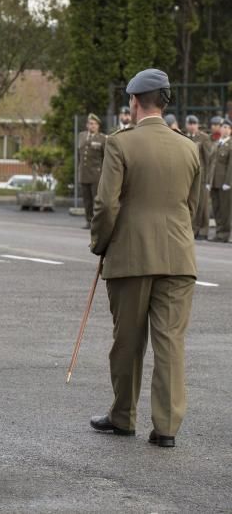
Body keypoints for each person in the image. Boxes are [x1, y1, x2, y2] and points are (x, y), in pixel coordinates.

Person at [89, 68, 200, 448]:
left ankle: (123, 416)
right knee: (170, 343)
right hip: (179, 257)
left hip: (131, 256)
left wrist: (100, 243)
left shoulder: (121, 143)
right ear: (164, 103)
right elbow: (193, 207)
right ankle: (166, 428)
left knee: (128, 341)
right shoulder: (189, 146)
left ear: (134, 102)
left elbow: (106, 204)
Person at [185, 115, 213, 240]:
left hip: (202, 176)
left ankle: (204, 230)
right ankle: (194, 228)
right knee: (192, 203)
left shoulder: (204, 138)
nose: (191, 126)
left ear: (197, 125)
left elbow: (209, 160)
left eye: (194, 123)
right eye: (189, 124)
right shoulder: (184, 137)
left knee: (203, 204)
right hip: (189, 176)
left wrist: (208, 179)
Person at [78, 113, 106, 229]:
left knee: (96, 200)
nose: (92, 126)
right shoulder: (82, 136)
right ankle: (88, 221)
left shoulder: (102, 138)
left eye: (94, 124)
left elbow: (105, 157)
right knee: (87, 200)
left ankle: (97, 222)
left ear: (98, 126)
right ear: (87, 125)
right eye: (90, 124)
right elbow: (79, 155)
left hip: (96, 175)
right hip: (84, 173)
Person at [209, 119, 232, 243]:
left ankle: (225, 234)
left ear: (231, 130)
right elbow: (211, 163)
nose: (225, 129)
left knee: (225, 210)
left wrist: (228, 182)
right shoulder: (217, 143)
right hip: (214, 182)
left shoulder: (230, 144)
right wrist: (209, 181)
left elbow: (230, 165)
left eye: (228, 127)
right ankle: (218, 232)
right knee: (216, 208)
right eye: (223, 127)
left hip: (224, 183)